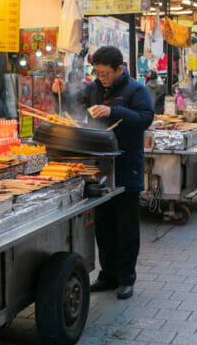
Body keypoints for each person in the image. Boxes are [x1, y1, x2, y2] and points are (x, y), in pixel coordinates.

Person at [52, 46, 154, 300]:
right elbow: (71, 106)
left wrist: (113, 111)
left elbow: (145, 118)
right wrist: (61, 92)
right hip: (100, 167)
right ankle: (107, 275)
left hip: (126, 166)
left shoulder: (136, 90)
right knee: (104, 225)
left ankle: (126, 278)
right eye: (97, 72)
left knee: (126, 227)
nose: (101, 77)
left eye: (105, 73)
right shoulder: (94, 88)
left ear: (119, 69)